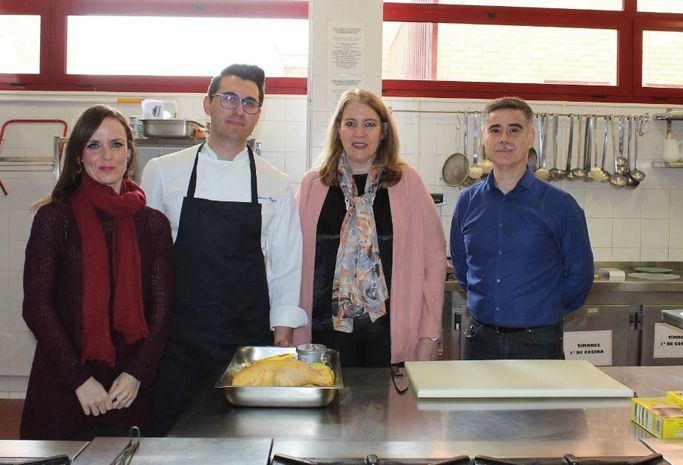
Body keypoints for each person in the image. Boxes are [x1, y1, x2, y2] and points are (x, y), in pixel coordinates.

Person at [141, 64, 306, 436]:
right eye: (229, 98)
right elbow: (144, 260)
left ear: (258, 115)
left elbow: (285, 264)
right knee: (170, 440)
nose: (238, 109)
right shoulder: (163, 172)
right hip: (176, 337)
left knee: (242, 439)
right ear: (208, 103)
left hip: (245, 340)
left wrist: (282, 335)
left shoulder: (275, 183)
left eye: (250, 102)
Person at [20, 105, 173, 439]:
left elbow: (161, 311)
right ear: (78, 156)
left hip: (127, 386)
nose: (107, 155)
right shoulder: (53, 219)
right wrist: (77, 379)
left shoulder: (153, 225)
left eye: (116, 144)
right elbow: (37, 306)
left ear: (130, 156)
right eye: (94, 145)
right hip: (63, 382)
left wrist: (137, 373)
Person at [293, 88, 447, 367]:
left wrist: (429, 335)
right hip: (322, 334)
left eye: (369, 124)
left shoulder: (408, 183)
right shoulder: (312, 186)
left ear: (383, 131)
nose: (359, 134)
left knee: (389, 411)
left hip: (390, 337)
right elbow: (290, 261)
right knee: (328, 412)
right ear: (338, 129)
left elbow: (435, 261)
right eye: (350, 123)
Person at [450, 97, 594, 360]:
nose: (504, 138)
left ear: (530, 137)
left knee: (540, 405)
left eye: (514, 130)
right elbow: (462, 268)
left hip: (538, 343)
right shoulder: (466, 202)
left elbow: (580, 275)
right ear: (484, 138)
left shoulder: (560, 205)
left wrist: (543, 309)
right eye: (495, 130)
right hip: (479, 342)